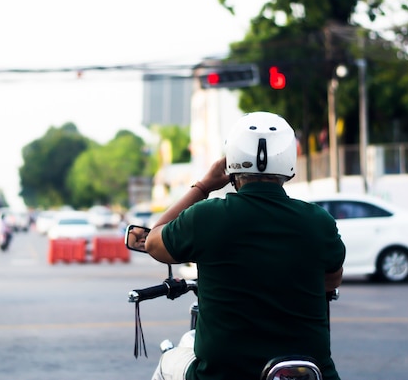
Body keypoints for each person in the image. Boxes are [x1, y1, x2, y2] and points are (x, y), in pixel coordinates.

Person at [145, 111, 346, 380]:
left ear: (231, 165)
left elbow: (152, 241)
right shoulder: (319, 222)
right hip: (310, 373)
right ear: (289, 162)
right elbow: (331, 281)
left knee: (169, 358)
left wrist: (203, 186)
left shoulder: (207, 216)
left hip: (220, 375)